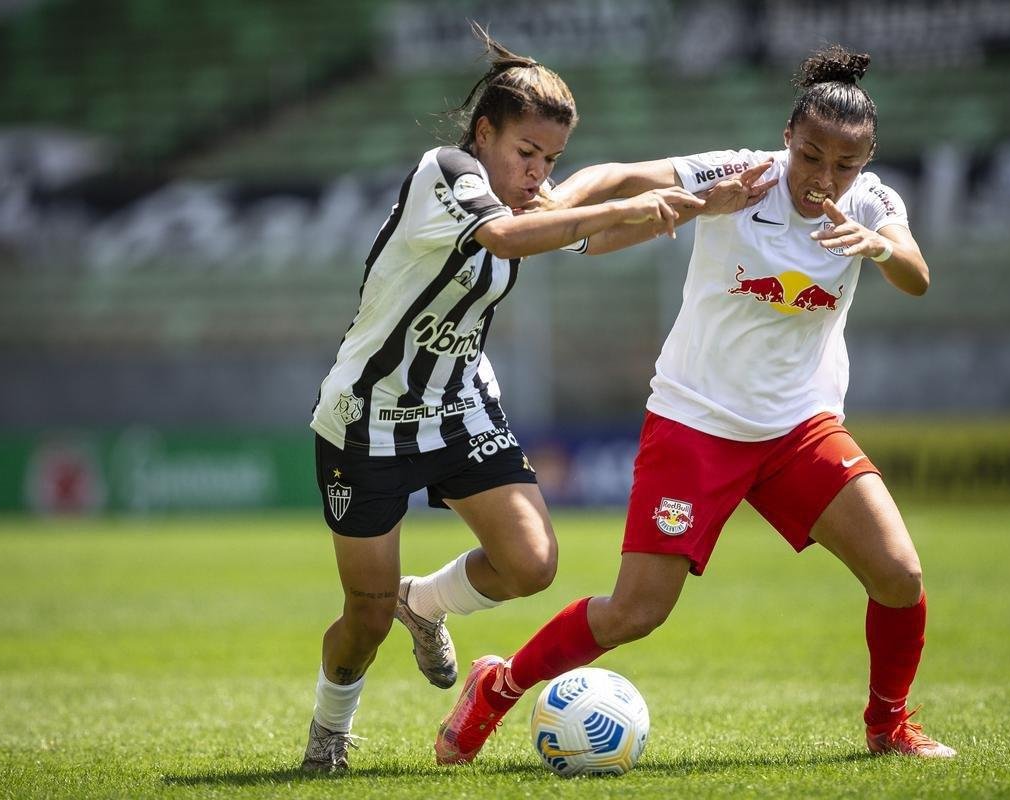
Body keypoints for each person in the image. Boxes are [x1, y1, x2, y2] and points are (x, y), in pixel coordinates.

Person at [435, 44, 957, 764]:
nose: (824, 178)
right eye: (811, 157)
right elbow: (620, 174)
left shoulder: (874, 204)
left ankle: (889, 726)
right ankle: (500, 684)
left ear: (864, 164)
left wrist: (877, 246)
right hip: (697, 424)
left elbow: (918, 276)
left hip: (799, 429)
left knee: (899, 576)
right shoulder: (741, 174)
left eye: (844, 165)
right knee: (636, 613)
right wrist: (562, 201)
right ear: (787, 140)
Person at [300, 23, 770, 772]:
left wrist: (697, 206)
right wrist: (624, 210)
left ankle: (422, 604)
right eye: (527, 154)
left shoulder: (521, 192)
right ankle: (330, 728)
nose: (538, 173)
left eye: (551, 159)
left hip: (459, 406)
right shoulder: (446, 171)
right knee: (362, 617)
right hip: (368, 418)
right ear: (484, 133)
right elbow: (510, 241)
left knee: (531, 563)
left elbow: (584, 236)